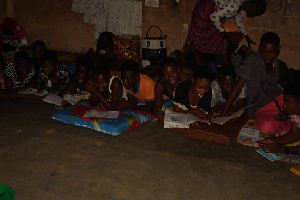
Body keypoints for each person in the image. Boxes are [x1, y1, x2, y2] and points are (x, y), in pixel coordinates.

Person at [222, 32, 290, 120]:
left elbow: (286, 92)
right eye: (264, 51)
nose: (268, 55)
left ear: (278, 50)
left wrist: (285, 111)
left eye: (272, 52)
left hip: (275, 104)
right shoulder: (253, 60)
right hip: (257, 106)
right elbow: (238, 87)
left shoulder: (280, 65)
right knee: (266, 126)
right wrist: (223, 114)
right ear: (260, 49)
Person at [186, 0, 266, 64]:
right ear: (253, 7)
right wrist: (224, 32)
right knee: (200, 35)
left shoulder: (243, 7)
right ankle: (190, 49)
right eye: (255, 13)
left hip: (214, 14)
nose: (253, 16)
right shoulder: (235, 5)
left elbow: (238, 21)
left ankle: (195, 50)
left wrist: (247, 37)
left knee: (216, 36)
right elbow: (213, 17)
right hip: (205, 11)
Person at [259, 82, 300, 154]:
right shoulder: (295, 114)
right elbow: (294, 134)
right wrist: (273, 140)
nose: (284, 105)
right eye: (284, 101)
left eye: (287, 102)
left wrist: (283, 149)